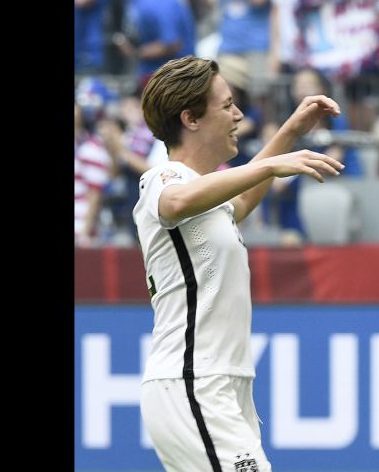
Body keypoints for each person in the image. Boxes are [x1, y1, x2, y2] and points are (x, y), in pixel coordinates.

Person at [135, 55, 344, 471]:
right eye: (227, 104)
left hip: (221, 383)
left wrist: (289, 133)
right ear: (191, 118)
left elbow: (241, 200)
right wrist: (271, 163)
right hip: (193, 380)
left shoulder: (206, 196)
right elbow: (176, 202)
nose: (238, 115)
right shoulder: (163, 178)